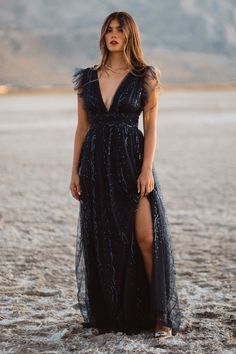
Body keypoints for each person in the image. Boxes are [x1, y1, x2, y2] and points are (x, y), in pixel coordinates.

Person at [70, 11, 182, 340]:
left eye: (120, 29)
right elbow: (81, 128)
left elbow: (151, 128)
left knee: (147, 238)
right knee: (105, 242)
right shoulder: (86, 79)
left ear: (131, 36)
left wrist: (146, 169)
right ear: (103, 35)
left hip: (132, 163)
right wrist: (74, 171)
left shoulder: (144, 77)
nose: (113, 34)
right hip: (95, 167)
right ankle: (113, 315)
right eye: (109, 29)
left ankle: (161, 316)